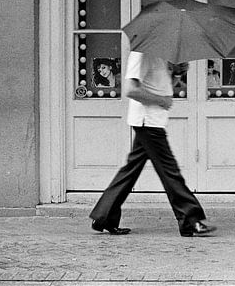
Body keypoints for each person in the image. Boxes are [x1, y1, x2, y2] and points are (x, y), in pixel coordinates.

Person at [89, 50, 216, 237]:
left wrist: (178, 72)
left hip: (153, 120)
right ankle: (191, 219)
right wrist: (161, 100)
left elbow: (164, 87)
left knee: (130, 171)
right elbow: (131, 89)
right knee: (170, 172)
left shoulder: (159, 55)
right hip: (147, 122)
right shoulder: (141, 53)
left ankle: (104, 215)